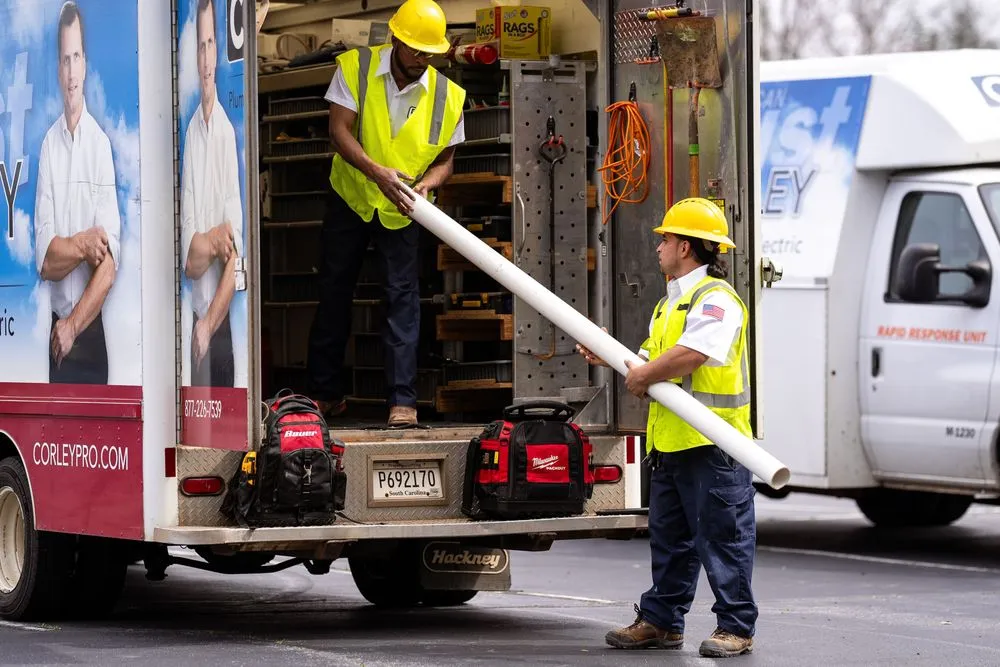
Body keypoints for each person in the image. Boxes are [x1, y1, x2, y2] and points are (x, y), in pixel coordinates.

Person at [577, 198, 758, 658]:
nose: (658, 246)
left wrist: (643, 373)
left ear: (686, 246)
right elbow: (652, 363)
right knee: (671, 539)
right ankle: (661, 620)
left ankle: (735, 626)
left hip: (712, 444)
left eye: (666, 239)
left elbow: (692, 355)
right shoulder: (670, 304)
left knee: (722, 537)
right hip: (674, 441)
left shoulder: (716, 300)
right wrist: (613, 357)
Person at [306, 0, 466, 427]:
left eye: (429, 52)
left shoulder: (448, 97)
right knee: (334, 289)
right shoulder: (356, 67)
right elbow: (338, 130)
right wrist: (375, 172)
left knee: (402, 299)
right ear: (396, 39)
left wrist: (429, 184)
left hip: (402, 208)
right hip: (353, 196)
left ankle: (403, 402)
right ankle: (325, 394)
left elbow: (446, 160)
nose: (422, 59)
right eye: (415, 49)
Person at [35, 0, 121, 385]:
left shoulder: (101, 146)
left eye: (76, 58)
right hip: (55, 340)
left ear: (86, 63)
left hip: (87, 333)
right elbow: (46, 261)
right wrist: (84, 245)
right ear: (58, 68)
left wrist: (71, 326)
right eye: (64, 60)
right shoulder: (48, 148)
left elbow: (109, 266)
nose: (71, 72)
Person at [180, 0, 243, 388]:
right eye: (199, 47)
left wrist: (205, 328)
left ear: (218, 52)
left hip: (215, 328)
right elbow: (190, 261)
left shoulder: (225, 135)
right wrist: (209, 242)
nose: (205, 57)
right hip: (191, 319)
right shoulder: (188, 135)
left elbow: (234, 256)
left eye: (210, 44)